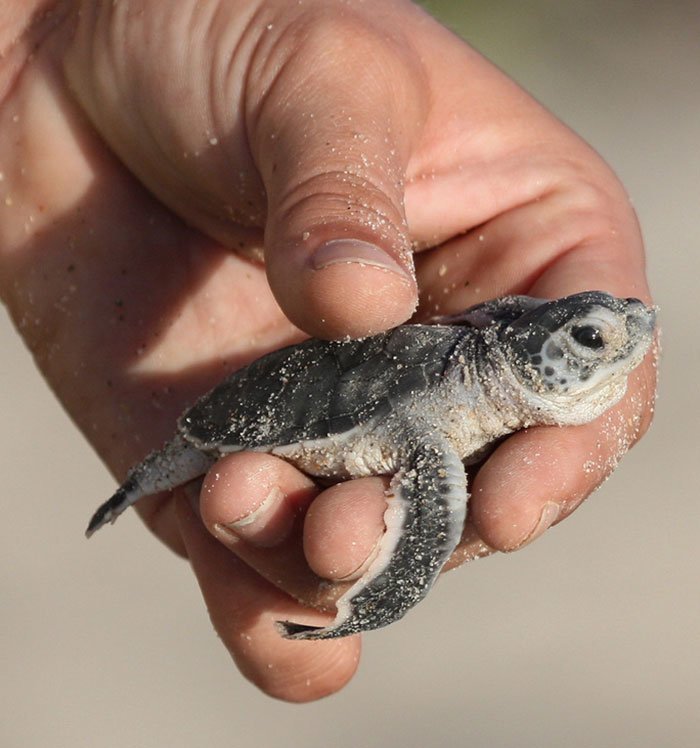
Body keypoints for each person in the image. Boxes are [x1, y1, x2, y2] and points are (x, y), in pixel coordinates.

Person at [0, 0, 656, 702]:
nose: (634, 336)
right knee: (222, 471)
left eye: (624, 322)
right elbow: (431, 502)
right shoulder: (436, 429)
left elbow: (510, 316)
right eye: (591, 339)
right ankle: (146, 490)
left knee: (326, 526)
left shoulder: (489, 336)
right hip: (284, 406)